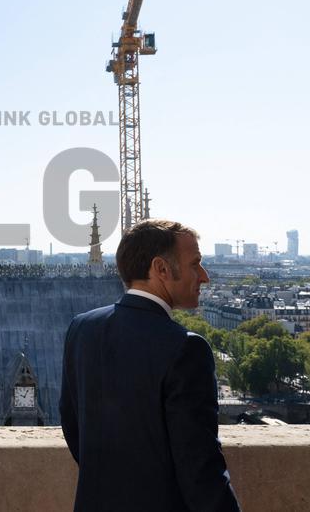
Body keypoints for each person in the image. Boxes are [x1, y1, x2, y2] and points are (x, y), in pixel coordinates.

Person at [60, 219, 240, 511]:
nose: (204, 276)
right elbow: (200, 469)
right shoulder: (186, 348)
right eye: (195, 264)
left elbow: (74, 428)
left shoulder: (82, 329)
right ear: (161, 269)